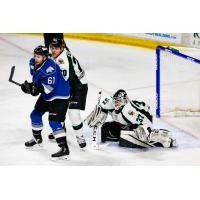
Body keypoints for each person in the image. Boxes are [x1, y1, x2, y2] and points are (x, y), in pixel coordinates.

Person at [21, 45, 71, 160]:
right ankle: (37, 139)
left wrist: (35, 88)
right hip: (47, 95)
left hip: (60, 95)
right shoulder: (33, 62)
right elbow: (37, 79)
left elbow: (48, 88)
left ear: (44, 57)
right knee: (35, 115)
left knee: (54, 122)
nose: (36, 58)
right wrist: (29, 87)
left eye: (38, 56)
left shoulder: (50, 68)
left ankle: (64, 149)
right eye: (35, 55)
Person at [85, 89, 176, 148]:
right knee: (106, 128)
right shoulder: (110, 103)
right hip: (126, 124)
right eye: (115, 102)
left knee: (126, 138)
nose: (116, 104)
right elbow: (102, 107)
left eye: (119, 102)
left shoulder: (129, 110)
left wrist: (145, 131)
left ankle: (161, 137)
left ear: (124, 100)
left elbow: (146, 122)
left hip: (140, 121)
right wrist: (99, 111)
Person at [47, 37, 88, 149]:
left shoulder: (63, 60)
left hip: (79, 86)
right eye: (52, 48)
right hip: (69, 84)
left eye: (56, 48)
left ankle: (80, 137)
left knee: (73, 114)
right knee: (58, 106)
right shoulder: (57, 55)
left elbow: (66, 80)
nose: (53, 50)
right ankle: (61, 129)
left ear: (62, 48)